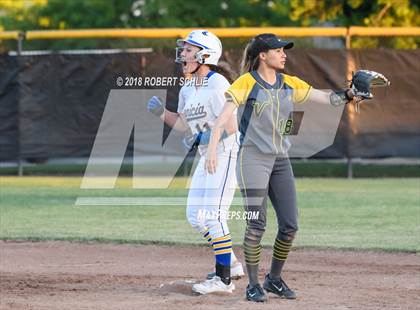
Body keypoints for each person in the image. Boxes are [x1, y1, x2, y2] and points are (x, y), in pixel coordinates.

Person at [205, 33, 360, 302]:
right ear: (263, 55)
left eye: (284, 50)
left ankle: (273, 279)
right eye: (278, 50)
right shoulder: (247, 83)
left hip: (280, 160)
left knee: (290, 225)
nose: (284, 54)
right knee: (257, 224)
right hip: (252, 158)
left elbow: (325, 99)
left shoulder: (290, 83)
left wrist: (350, 94)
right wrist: (211, 150)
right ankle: (253, 285)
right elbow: (222, 120)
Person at [147, 30, 244, 295]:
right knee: (196, 216)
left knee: (213, 217)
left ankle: (223, 280)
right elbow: (182, 124)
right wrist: (160, 113)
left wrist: (201, 136)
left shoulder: (218, 84)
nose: (184, 54)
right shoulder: (188, 86)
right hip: (207, 156)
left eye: (190, 50)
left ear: (205, 55)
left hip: (225, 155)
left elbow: (232, 127)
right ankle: (232, 263)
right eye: (185, 49)